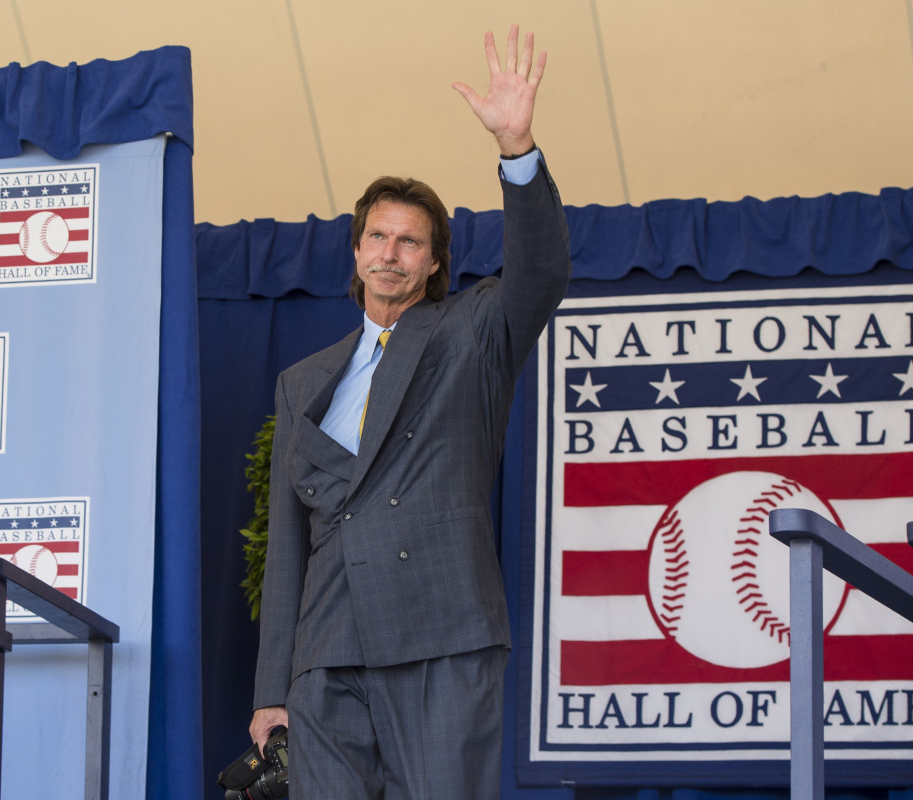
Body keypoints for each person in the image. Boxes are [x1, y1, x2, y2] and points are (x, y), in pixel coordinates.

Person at [249, 25, 571, 799]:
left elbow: (542, 272)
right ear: (356, 252)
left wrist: (517, 150)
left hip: (441, 636)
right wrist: (273, 687)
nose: (391, 253)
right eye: (378, 238)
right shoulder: (304, 381)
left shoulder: (471, 334)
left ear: (434, 263)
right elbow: (288, 549)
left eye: (411, 243)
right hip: (328, 652)